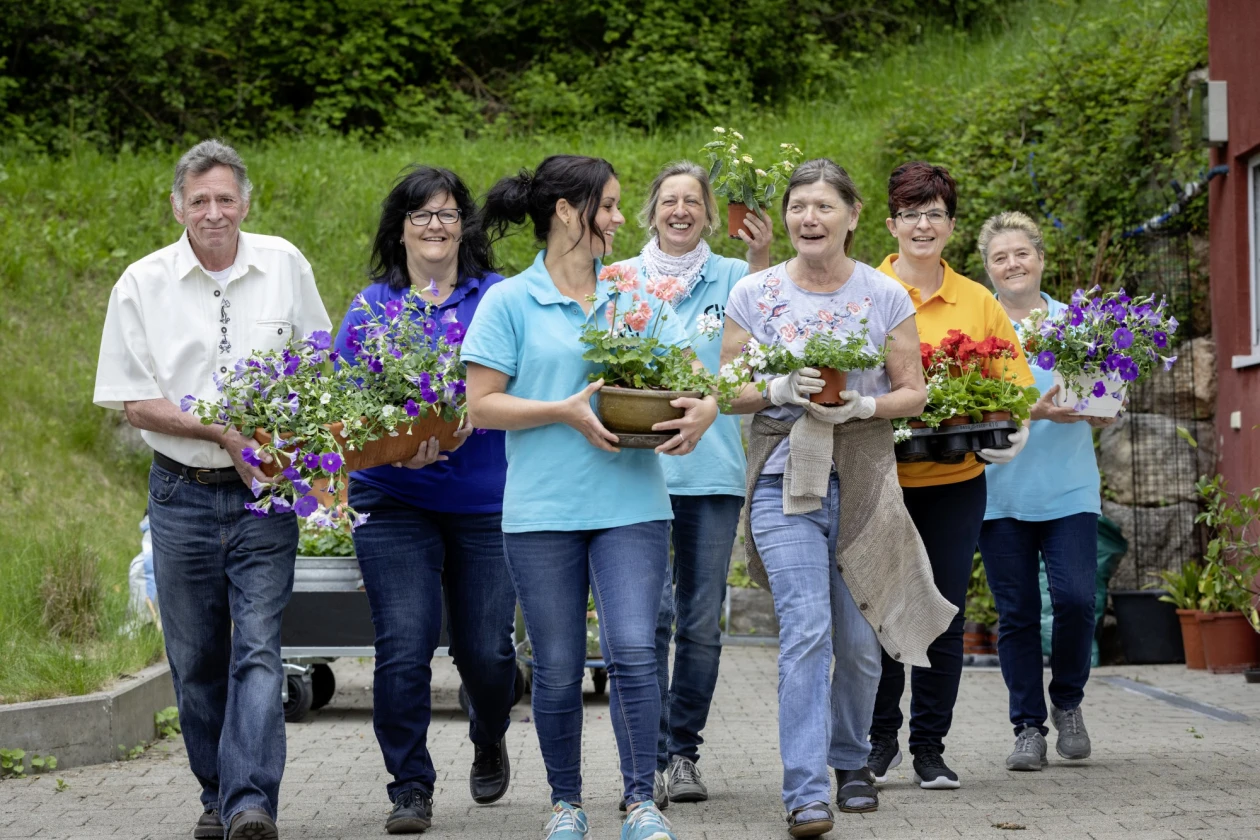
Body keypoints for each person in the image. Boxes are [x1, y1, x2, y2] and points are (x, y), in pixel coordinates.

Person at [462, 154, 718, 840]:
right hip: (541, 511)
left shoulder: (633, 296)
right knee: (557, 664)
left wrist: (704, 409)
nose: (615, 219)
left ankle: (641, 803)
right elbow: (481, 406)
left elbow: (694, 376)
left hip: (632, 505)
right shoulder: (509, 301)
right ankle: (566, 804)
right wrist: (562, 411)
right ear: (566, 212)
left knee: (634, 649)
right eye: (606, 206)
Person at [93, 139, 332, 840]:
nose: (214, 212)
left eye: (225, 198)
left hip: (264, 497)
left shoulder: (285, 264)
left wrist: (301, 452)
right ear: (177, 206)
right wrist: (226, 430)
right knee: (197, 658)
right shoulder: (141, 283)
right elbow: (135, 402)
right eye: (199, 200)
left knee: (258, 648)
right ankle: (215, 791)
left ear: (245, 202)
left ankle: (250, 802)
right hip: (180, 495)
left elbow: (316, 362)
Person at [720, 158, 955, 838]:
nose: (809, 218)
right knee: (806, 632)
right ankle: (804, 793)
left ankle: (851, 761)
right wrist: (775, 390)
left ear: (852, 217)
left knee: (857, 642)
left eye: (824, 206)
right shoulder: (755, 294)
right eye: (799, 207)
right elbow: (725, 388)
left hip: (861, 481)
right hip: (781, 485)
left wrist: (866, 404)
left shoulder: (883, 295)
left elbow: (915, 390)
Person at [331, 166, 516, 834]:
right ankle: (410, 784)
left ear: (464, 226)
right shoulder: (372, 309)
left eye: (446, 214)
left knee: (489, 653)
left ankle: (488, 730)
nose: (435, 226)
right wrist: (394, 444)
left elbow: (524, 382)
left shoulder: (497, 298)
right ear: (400, 228)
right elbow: (346, 413)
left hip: (486, 499)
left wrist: (484, 413)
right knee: (404, 646)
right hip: (393, 498)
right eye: (421, 215)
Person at [867, 162, 1034, 791]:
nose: (921, 224)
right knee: (880, 611)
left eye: (933, 212)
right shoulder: (864, 291)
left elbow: (1011, 388)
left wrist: (1010, 425)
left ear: (951, 226)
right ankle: (877, 742)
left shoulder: (977, 300)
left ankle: (929, 747)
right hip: (878, 476)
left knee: (943, 612)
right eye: (910, 212)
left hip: (957, 477)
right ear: (890, 223)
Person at [613, 161, 771, 807]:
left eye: (693, 202)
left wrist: (763, 254)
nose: (680, 211)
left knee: (700, 622)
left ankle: (683, 753)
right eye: (669, 200)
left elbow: (766, 350)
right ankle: (645, 760)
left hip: (709, 473)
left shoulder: (735, 278)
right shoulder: (618, 279)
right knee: (645, 619)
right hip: (635, 470)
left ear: (709, 214)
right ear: (651, 212)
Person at [975, 210, 1113, 771]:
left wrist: (1103, 410)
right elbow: (966, 408)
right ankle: (1027, 726)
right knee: (1018, 614)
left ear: (1040, 259)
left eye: (1021, 253)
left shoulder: (1077, 322)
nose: (1012, 264)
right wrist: (1033, 410)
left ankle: (1069, 702)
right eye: (1000, 257)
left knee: (1079, 600)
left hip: (1069, 491)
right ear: (988, 269)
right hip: (1000, 493)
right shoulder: (979, 327)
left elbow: (1103, 399)